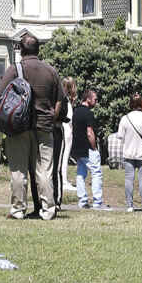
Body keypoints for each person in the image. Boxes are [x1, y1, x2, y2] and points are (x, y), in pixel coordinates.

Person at [0, 33, 65, 221]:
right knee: (45, 170)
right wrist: (52, 116)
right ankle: (48, 209)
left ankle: (18, 210)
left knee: (18, 169)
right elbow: (60, 98)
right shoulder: (50, 70)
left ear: (21, 50)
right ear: (38, 49)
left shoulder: (15, 69)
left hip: (19, 127)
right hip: (44, 125)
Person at [115, 93, 142, 214]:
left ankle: (129, 205)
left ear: (130, 104)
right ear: (141, 103)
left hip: (129, 152)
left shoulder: (125, 118)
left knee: (129, 179)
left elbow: (120, 136)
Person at [71, 86, 105, 210]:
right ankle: (98, 201)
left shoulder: (75, 111)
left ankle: (82, 200)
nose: (96, 102)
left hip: (76, 148)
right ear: (88, 99)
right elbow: (89, 132)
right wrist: (94, 147)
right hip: (87, 148)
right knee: (96, 173)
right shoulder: (88, 113)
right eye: (95, 99)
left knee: (81, 173)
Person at [55, 76, 78, 207]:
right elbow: (68, 119)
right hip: (66, 131)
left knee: (63, 158)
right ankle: (63, 180)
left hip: (65, 130)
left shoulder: (65, 100)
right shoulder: (66, 101)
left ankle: (63, 179)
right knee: (63, 158)